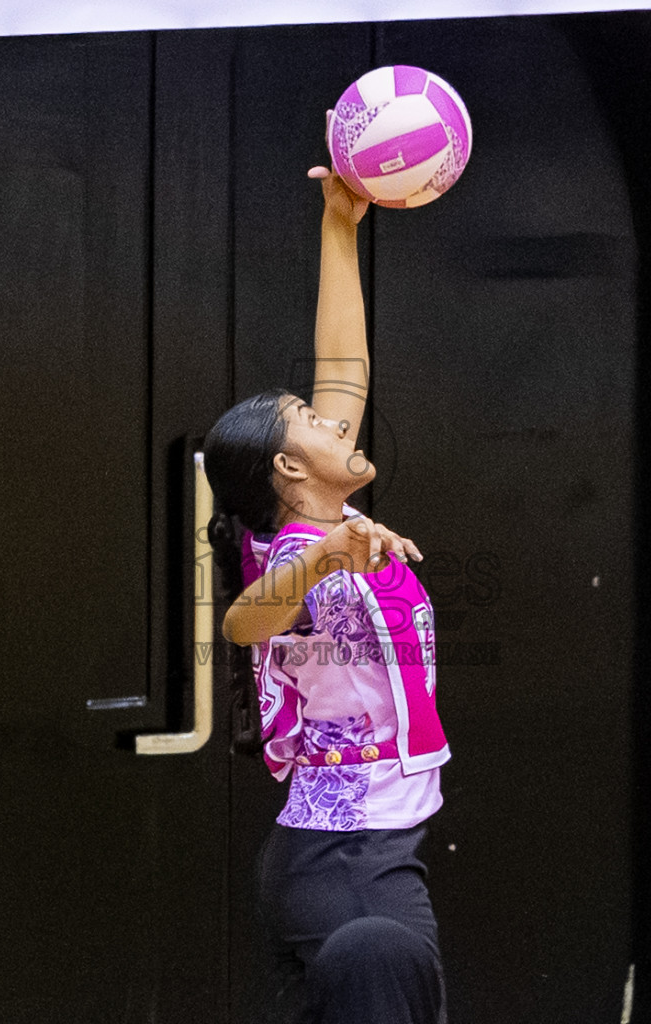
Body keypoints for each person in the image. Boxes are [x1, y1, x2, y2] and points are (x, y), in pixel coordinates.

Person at [202, 160, 450, 1024]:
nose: (334, 418)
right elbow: (241, 623)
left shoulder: (332, 520)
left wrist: (340, 223)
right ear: (287, 467)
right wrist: (325, 558)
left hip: (371, 850)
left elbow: (344, 358)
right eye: (311, 419)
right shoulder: (293, 556)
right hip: (343, 859)